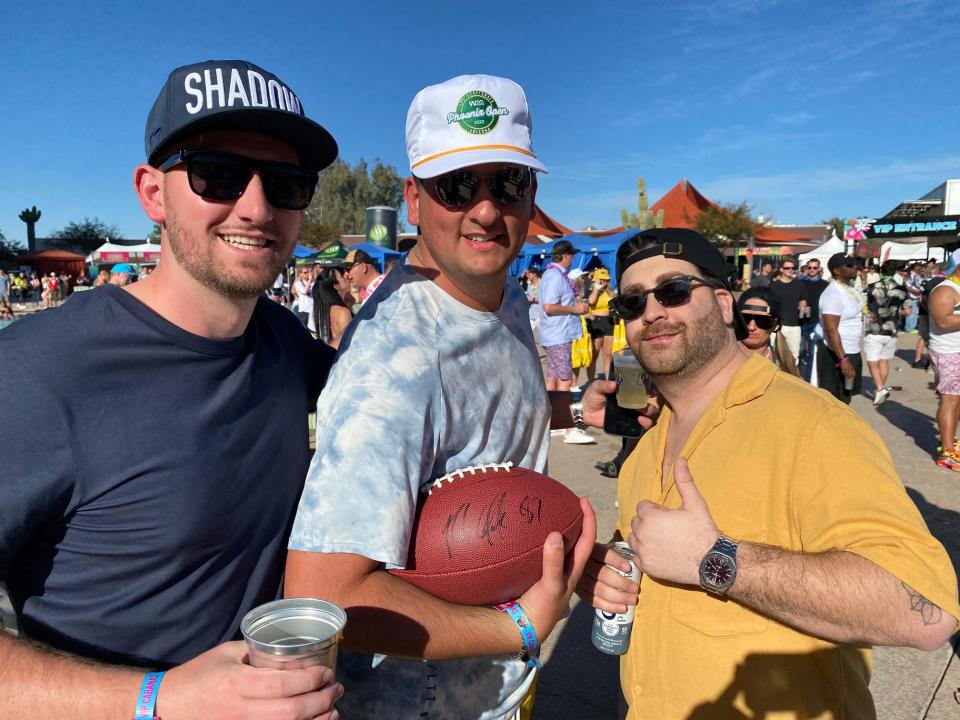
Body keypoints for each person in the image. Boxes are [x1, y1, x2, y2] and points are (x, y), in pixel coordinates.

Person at [0, 59, 344, 719]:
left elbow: (390, 399)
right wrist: (158, 699)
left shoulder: (280, 342)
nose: (257, 206)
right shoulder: (37, 372)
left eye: (287, 183)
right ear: (152, 193)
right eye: (217, 174)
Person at [284, 73, 604, 720]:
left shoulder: (507, 295)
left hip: (502, 690)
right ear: (413, 200)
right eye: (457, 186)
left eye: (507, 183)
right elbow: (324, 596)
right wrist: (518, 627)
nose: (485, 210)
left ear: (532, 194)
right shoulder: (394, 361)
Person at [577, 227, 959, 719]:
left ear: (721, 303)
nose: (651, 312)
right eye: (632, 303)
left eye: (673, 291)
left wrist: (715, 559)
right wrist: (613, 575)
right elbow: (657, 561)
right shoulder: (649, 445)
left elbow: (926, 612)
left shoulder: (811, 423)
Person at [815, 253, 865, 404]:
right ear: (837, 271)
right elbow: (831, 330)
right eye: (849, 265)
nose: (854, 267)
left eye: (855, 264)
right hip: (836, 354)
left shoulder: (848, 289)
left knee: (846, 397)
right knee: (833, 401)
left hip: (851, 349)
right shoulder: (833, 294)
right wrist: (843, 359)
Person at [926, 250, 960, 471]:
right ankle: (947, 451)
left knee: (957, 399)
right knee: (950, 399)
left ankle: (951, 441)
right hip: (948, 352)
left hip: (956, 350)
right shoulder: (946, 290)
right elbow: (943, 322)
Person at [864, 260, 908, 406]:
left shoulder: (870, 288)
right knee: (884, 360)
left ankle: (880, 388)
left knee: (872, 361)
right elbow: (908, 311)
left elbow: (863, 306)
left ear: (881, 271)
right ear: (895, 272)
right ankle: (879, 389)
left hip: (874, 328)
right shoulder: (902, 289)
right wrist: (895, 312)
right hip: (892, 329)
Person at [736, 287, 799, 375]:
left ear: (777, 325)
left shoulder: (785, 364)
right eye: (745, 318)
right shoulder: (719, 359)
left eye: (762, 321)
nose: (751, 327)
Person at [767, 258, 807, 364]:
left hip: (794, 325)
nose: (790, 270)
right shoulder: (773, 286)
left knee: (794, 358)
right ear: (781, 269)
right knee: (775, 356)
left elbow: (803, 301)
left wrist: (803, 308)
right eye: (787, 268)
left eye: (792, 268)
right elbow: (768, 304)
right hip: (777, 326)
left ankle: (792, 379)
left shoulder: (799, 284)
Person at [584, 266, 617, 382]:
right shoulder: (591, 291)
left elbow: (614, 305)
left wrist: (608, 290)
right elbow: (591, 301)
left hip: (608, 322)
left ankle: (608, 382)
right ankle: (591, 381)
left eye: (605, 280)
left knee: (608, 355)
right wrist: (596, 289)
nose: (603, 282)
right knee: (594, 355)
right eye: (600, 279)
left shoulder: (611, 292)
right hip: (595, 323)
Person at [310, 265, 352, 348]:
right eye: (342, 276)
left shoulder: (323, 309)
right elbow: (349, 344)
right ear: (336, 286)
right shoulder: (342, 312)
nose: (347, 277)